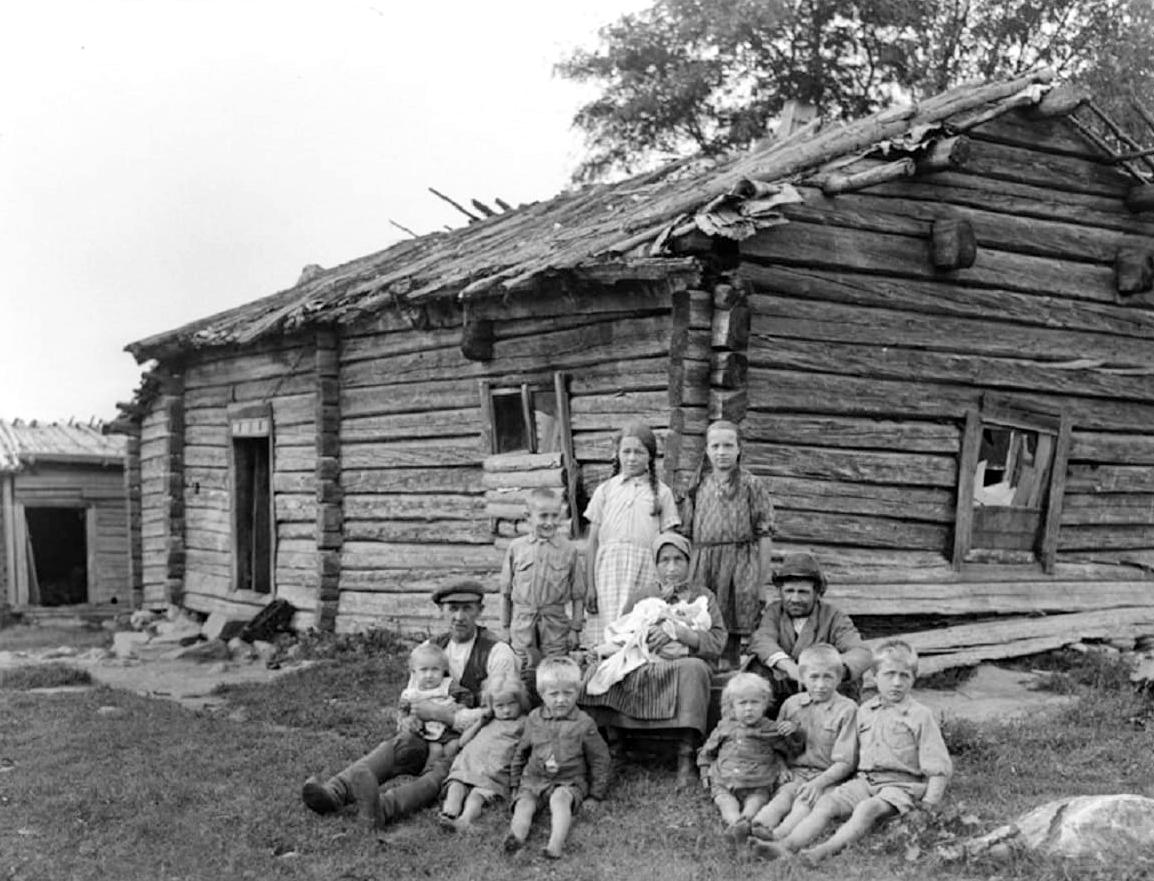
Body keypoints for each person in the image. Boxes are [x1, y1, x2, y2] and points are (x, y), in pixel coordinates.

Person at [300, 581, 518, 826]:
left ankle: (381, 809)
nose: (459, 616)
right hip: (425, 733)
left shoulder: (498, 652)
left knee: (440, 771)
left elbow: (499, 712)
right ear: (440, 610)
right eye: (452, 608)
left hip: (468, 743)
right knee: (396, 745)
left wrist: (445, 715)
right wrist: (407, 720)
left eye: (467, 608)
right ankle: (334, 792)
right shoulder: (428, 649)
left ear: (480, 610)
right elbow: (410, 697)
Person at [756, 640, 952, 863]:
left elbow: (938, 768)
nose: (896, 683)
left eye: (904, 676)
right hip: (865, 781)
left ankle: (822, 851)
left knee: (867, 809)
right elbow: (849, 753)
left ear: (913, 678)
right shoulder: (865, 711)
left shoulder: (920, 716)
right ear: (874, 677)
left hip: (901, 785)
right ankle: (785, 845)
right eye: (889, 674)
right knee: (826, 804)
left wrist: (928, 806)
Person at [579, 531, 727, 789]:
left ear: (689, 562)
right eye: (664, 560)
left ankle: (685, 755)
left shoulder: (703, 596)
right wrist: (644, 636)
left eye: (678, 560)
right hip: (641, 657)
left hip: (681, 660)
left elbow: (717, 641)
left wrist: (681, 633)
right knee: (601, 670)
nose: (671, 567)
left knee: (694, 671)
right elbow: (622, 630)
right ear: (655, 564)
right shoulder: (642, 595)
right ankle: (616, 748)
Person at [680, 420, 775, 666]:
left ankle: (730, 674)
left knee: (731, 626)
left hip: (738, 564)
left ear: (739, 449)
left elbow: (764, 535)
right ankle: (704, 676)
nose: (721, 452)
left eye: (728, 445)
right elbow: (687, 535)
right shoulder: (697, 485)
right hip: (704, 565)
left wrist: (762, 582)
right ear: (707, 450)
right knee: (702, 621)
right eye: (715, 446)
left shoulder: (751, 485)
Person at [750, 643, 858, 845]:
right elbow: (777, 744)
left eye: (828, 677)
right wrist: (781, 766)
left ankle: (780, 834)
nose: (820, 684)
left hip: (826, 778)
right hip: (796, 773)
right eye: (814, 677)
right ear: (802, 676)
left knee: (803, 803)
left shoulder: (847, 710)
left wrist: (818, 784)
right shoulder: (791, 705)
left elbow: (846, 762)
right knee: (783, 796)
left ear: (839, 677)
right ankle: (756, 826)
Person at [584, 421, 680, 646]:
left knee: (638, 626)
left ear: (650, 456)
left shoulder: (662, 494)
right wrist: (590, 585)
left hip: (645, 569)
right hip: (608, 571)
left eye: (639, 452)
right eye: (626, 451)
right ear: (617, 454)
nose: (631, 457)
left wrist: (667, 582)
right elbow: (592, 543)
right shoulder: (606, 490)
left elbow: (669, 544)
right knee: (610, 630)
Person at [506, 657, 612, 860]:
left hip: (568, 781)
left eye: (568, 693)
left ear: (577, 692)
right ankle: (515, 839)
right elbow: (522, 752)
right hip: (534, 779)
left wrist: (595, 795)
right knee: (524, 804)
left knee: (560, 800)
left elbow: (601, 759)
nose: (561, 699)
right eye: (554, 694)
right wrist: (514, 784)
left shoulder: (584, 723)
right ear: (541, 694)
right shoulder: (534, 719)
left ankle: (555, 845)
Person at [748, 552, 873, 709]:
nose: (795, 599)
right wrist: (790, 667)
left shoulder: (833, 616)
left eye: (803, 592)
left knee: (849, 675)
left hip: (823, 690)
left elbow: (862, 652)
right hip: (785, 689)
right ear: (780, 591)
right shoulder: (774, 612)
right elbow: (763, 640)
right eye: (789, 591)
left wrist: (828, 668)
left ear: (817, 593)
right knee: (756, 665)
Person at [697, 672, 804, 842]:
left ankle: (747, 818)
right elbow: (707, 752)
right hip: (725, 779)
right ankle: (735, 823)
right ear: (732, 706)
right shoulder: (724, 728)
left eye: (754, 702)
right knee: (725, 802)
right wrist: (704, 772)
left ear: (765, 704)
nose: (749, 708)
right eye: (742, 703)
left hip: (758, 781)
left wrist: (793, 733)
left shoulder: (772, 729)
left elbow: (791, 750)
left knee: (757, 800)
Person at [500, 487, 585, 690]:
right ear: (528, 516)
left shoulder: (568, 550)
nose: (550, 522)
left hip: (555, 623)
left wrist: (575, 629)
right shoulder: (516, 548)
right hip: (522, 622)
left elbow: (578, 595)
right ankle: (523, 712)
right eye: (543, 515)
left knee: (555, 672)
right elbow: (505, 593)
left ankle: (554, 713)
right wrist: (505, 627)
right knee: (521, 670)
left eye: (555, 516)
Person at [439, 673, 530, 834]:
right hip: (468, 764)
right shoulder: (487, 719)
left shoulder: (524, 722)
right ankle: (449, 813)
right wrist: (481, 721)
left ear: (520, 702)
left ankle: (464, 820)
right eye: (500, 706)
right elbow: (462, 742)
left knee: (477, 795)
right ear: (491, 706)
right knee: (456, 786)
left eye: (512, 704)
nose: (507, 710)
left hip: (494, 771)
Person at [397, 642, 471, 766]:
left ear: (444, 670)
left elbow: (467, 695)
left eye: (435, 669)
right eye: (424, 670)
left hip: (448, 729)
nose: (429, 675)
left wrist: (460, 706)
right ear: (414, 672)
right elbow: (402, 710)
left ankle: (446, 769)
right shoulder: (411, 693)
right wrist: (404, 721)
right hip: (426, 732)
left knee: (453, 746)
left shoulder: (447, 685)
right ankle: (428, 771)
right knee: (435, 750)